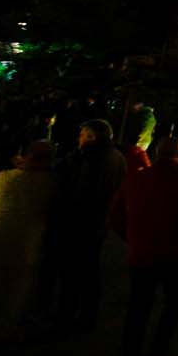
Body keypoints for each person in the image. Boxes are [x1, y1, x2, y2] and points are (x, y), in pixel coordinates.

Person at [110, 135, 178, 356]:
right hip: (175, 255)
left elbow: (117, 215)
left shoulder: (137, 179)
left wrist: (132, 239)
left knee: (138, 308)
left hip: (141, 253)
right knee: (171, 309)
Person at [51, 119, 126, 330]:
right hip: (100, 221)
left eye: (83, 135)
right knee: (90, 269)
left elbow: (79, 192)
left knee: (73, 271)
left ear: (92, 137)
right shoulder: (118, 157)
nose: (79, 138)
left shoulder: (90, 158)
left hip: (81, 222)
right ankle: (87, 314)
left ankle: (66, 315)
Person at [0, 140, 55, 338]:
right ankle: (5, 329)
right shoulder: (51, 183)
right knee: (17, 290)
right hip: (27, 240)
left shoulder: (6, 176)